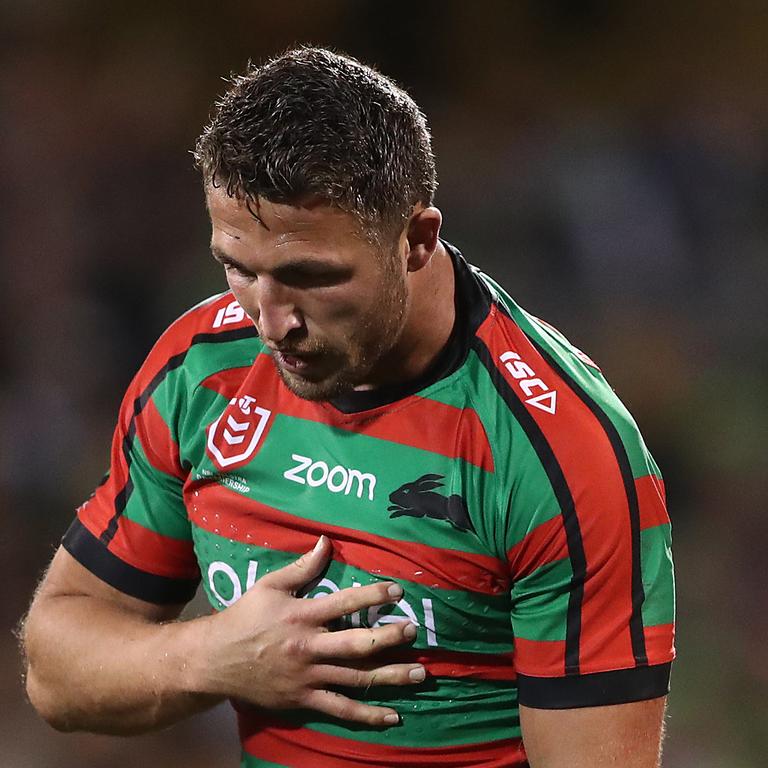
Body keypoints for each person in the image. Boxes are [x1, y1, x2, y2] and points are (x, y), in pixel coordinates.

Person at [21, 47, 675, 767]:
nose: (270, 320)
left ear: (416, 241)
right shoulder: (200, 373)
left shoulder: (559, 454)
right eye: (238, 267)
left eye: (310, 276)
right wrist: (212, 654)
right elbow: (57, 670)